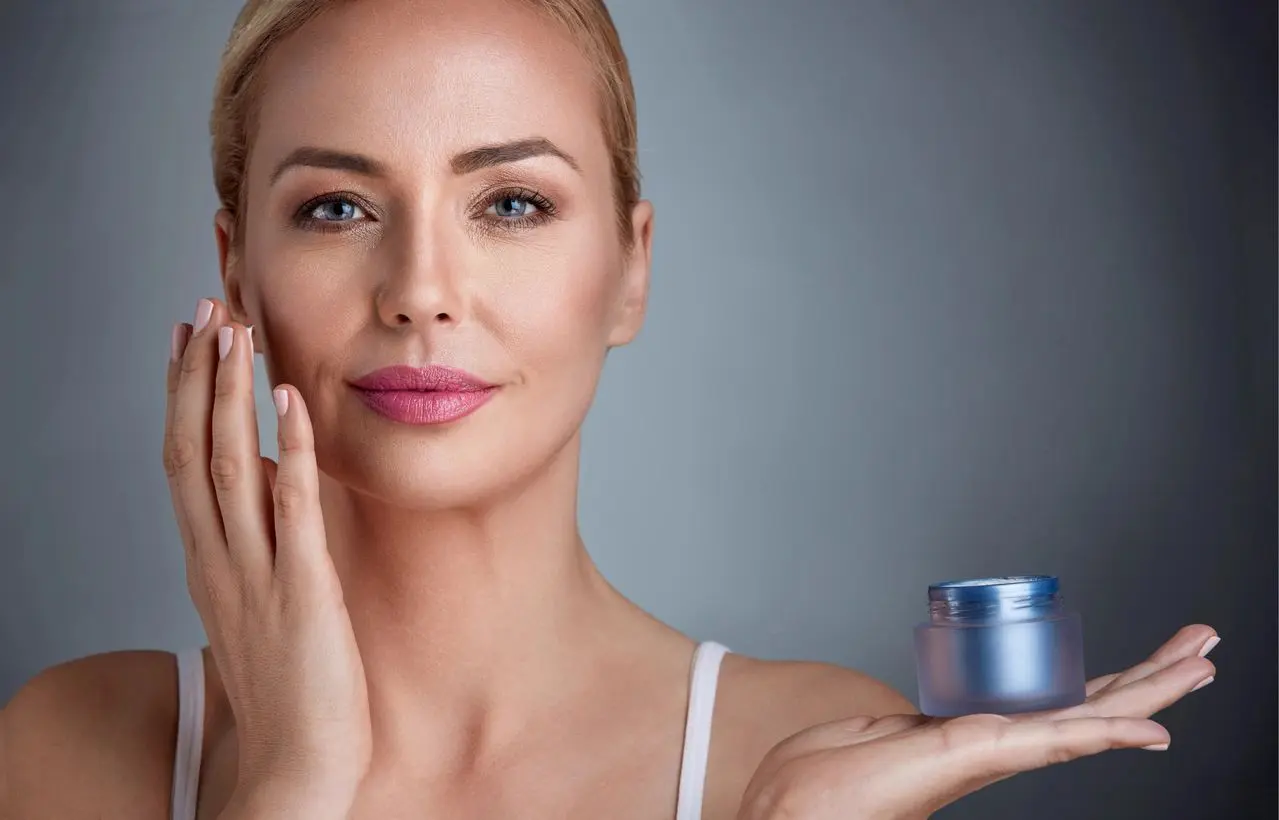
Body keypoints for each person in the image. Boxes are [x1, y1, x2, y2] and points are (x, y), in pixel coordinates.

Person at [1, 1, 1218, 818]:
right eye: (337, 207)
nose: (422, 292)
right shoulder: (72, 750)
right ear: (235, 273)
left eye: (513, 203)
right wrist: (287, 780)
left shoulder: (799, 747)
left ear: (630, 270)